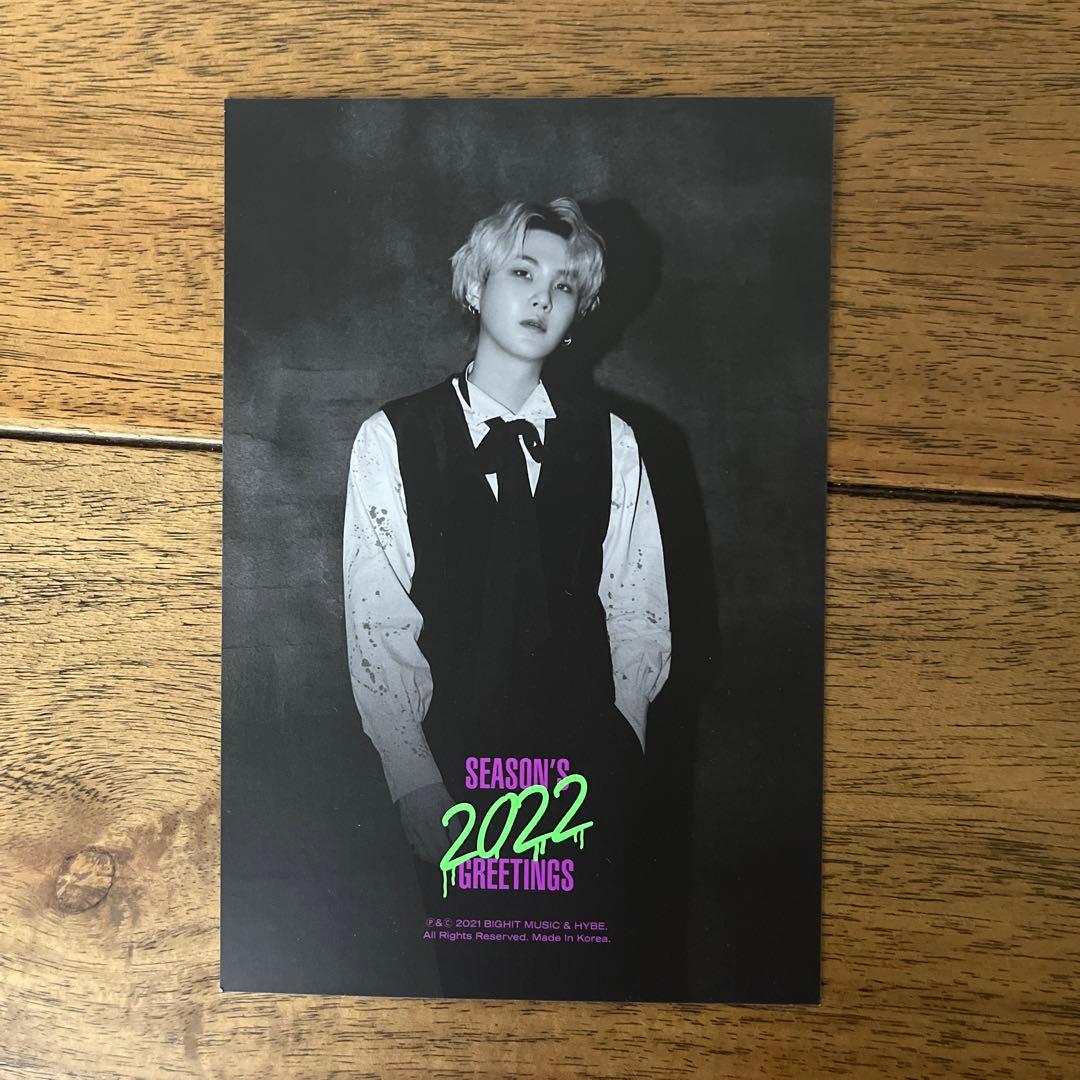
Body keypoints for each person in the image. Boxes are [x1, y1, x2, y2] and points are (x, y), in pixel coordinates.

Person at [344, 196, 671, 999]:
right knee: (478, 987)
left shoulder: (614, 443)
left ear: (580, 311)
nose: (541, 298)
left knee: (592, 988)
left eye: (564, 286)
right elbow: (377, 624)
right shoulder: (392, 438)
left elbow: (639, 611)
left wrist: (622, 748)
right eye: (523, 273)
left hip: (585, 777)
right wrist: (413, 777)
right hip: (455, 775)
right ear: (475, 285)